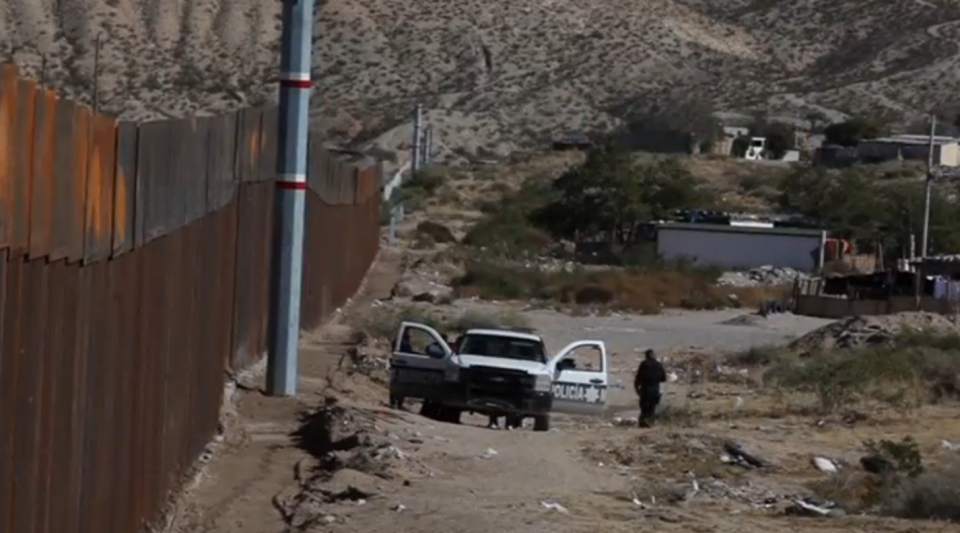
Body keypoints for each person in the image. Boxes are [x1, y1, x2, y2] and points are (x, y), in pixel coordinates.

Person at [634, 349, 667, 427]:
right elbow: (663, 378)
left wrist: (637, 389)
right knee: (652, 409)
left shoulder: (644, 364)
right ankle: (650, 423)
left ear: (646, 356)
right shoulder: (659, 365)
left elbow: (638, 378)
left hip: (645, 391)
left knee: (644, 409)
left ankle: (643, 424)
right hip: (655, 390)